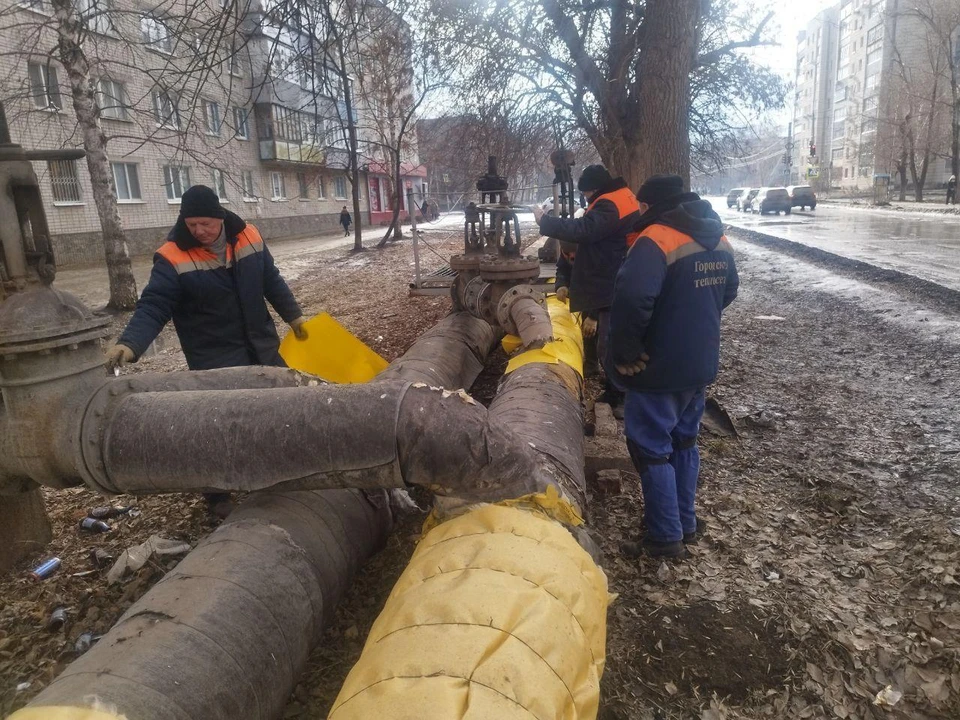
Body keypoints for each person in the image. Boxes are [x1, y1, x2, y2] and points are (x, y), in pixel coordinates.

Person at [104, 185, 308, 516]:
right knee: (217, 425)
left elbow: (271, 279)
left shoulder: (249, 236)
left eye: (205, 224)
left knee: (277, 406)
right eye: (191, 224)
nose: (198, 231)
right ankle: (217, 495)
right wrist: (130, 344)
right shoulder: (172, 256)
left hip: (261, 345)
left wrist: (294, 316)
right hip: (214, 356)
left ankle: (276, 473)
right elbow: (154, 305)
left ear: (220, 218)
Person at [607, 174, 739, 559]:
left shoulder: (656, 240)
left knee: (650, 448)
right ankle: (685, 521)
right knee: (684, 441)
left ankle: (664, 537)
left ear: (652, 206)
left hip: (659, 367)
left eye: (642, 206)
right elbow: (728, 292)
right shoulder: (718, 236)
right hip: (700, 364)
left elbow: (631, 300)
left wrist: (626, 353)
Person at [533, 164, 641, 414]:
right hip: (618, 274)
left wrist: (545, 221)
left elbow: (585, 230)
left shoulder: (608, 204)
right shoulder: (622, 196)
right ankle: (617, 387)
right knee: (611, 340)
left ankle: (620, 397)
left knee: (608, 343)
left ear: (593, 190)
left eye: (585, 194)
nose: (585, 198)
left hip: (612, 278)